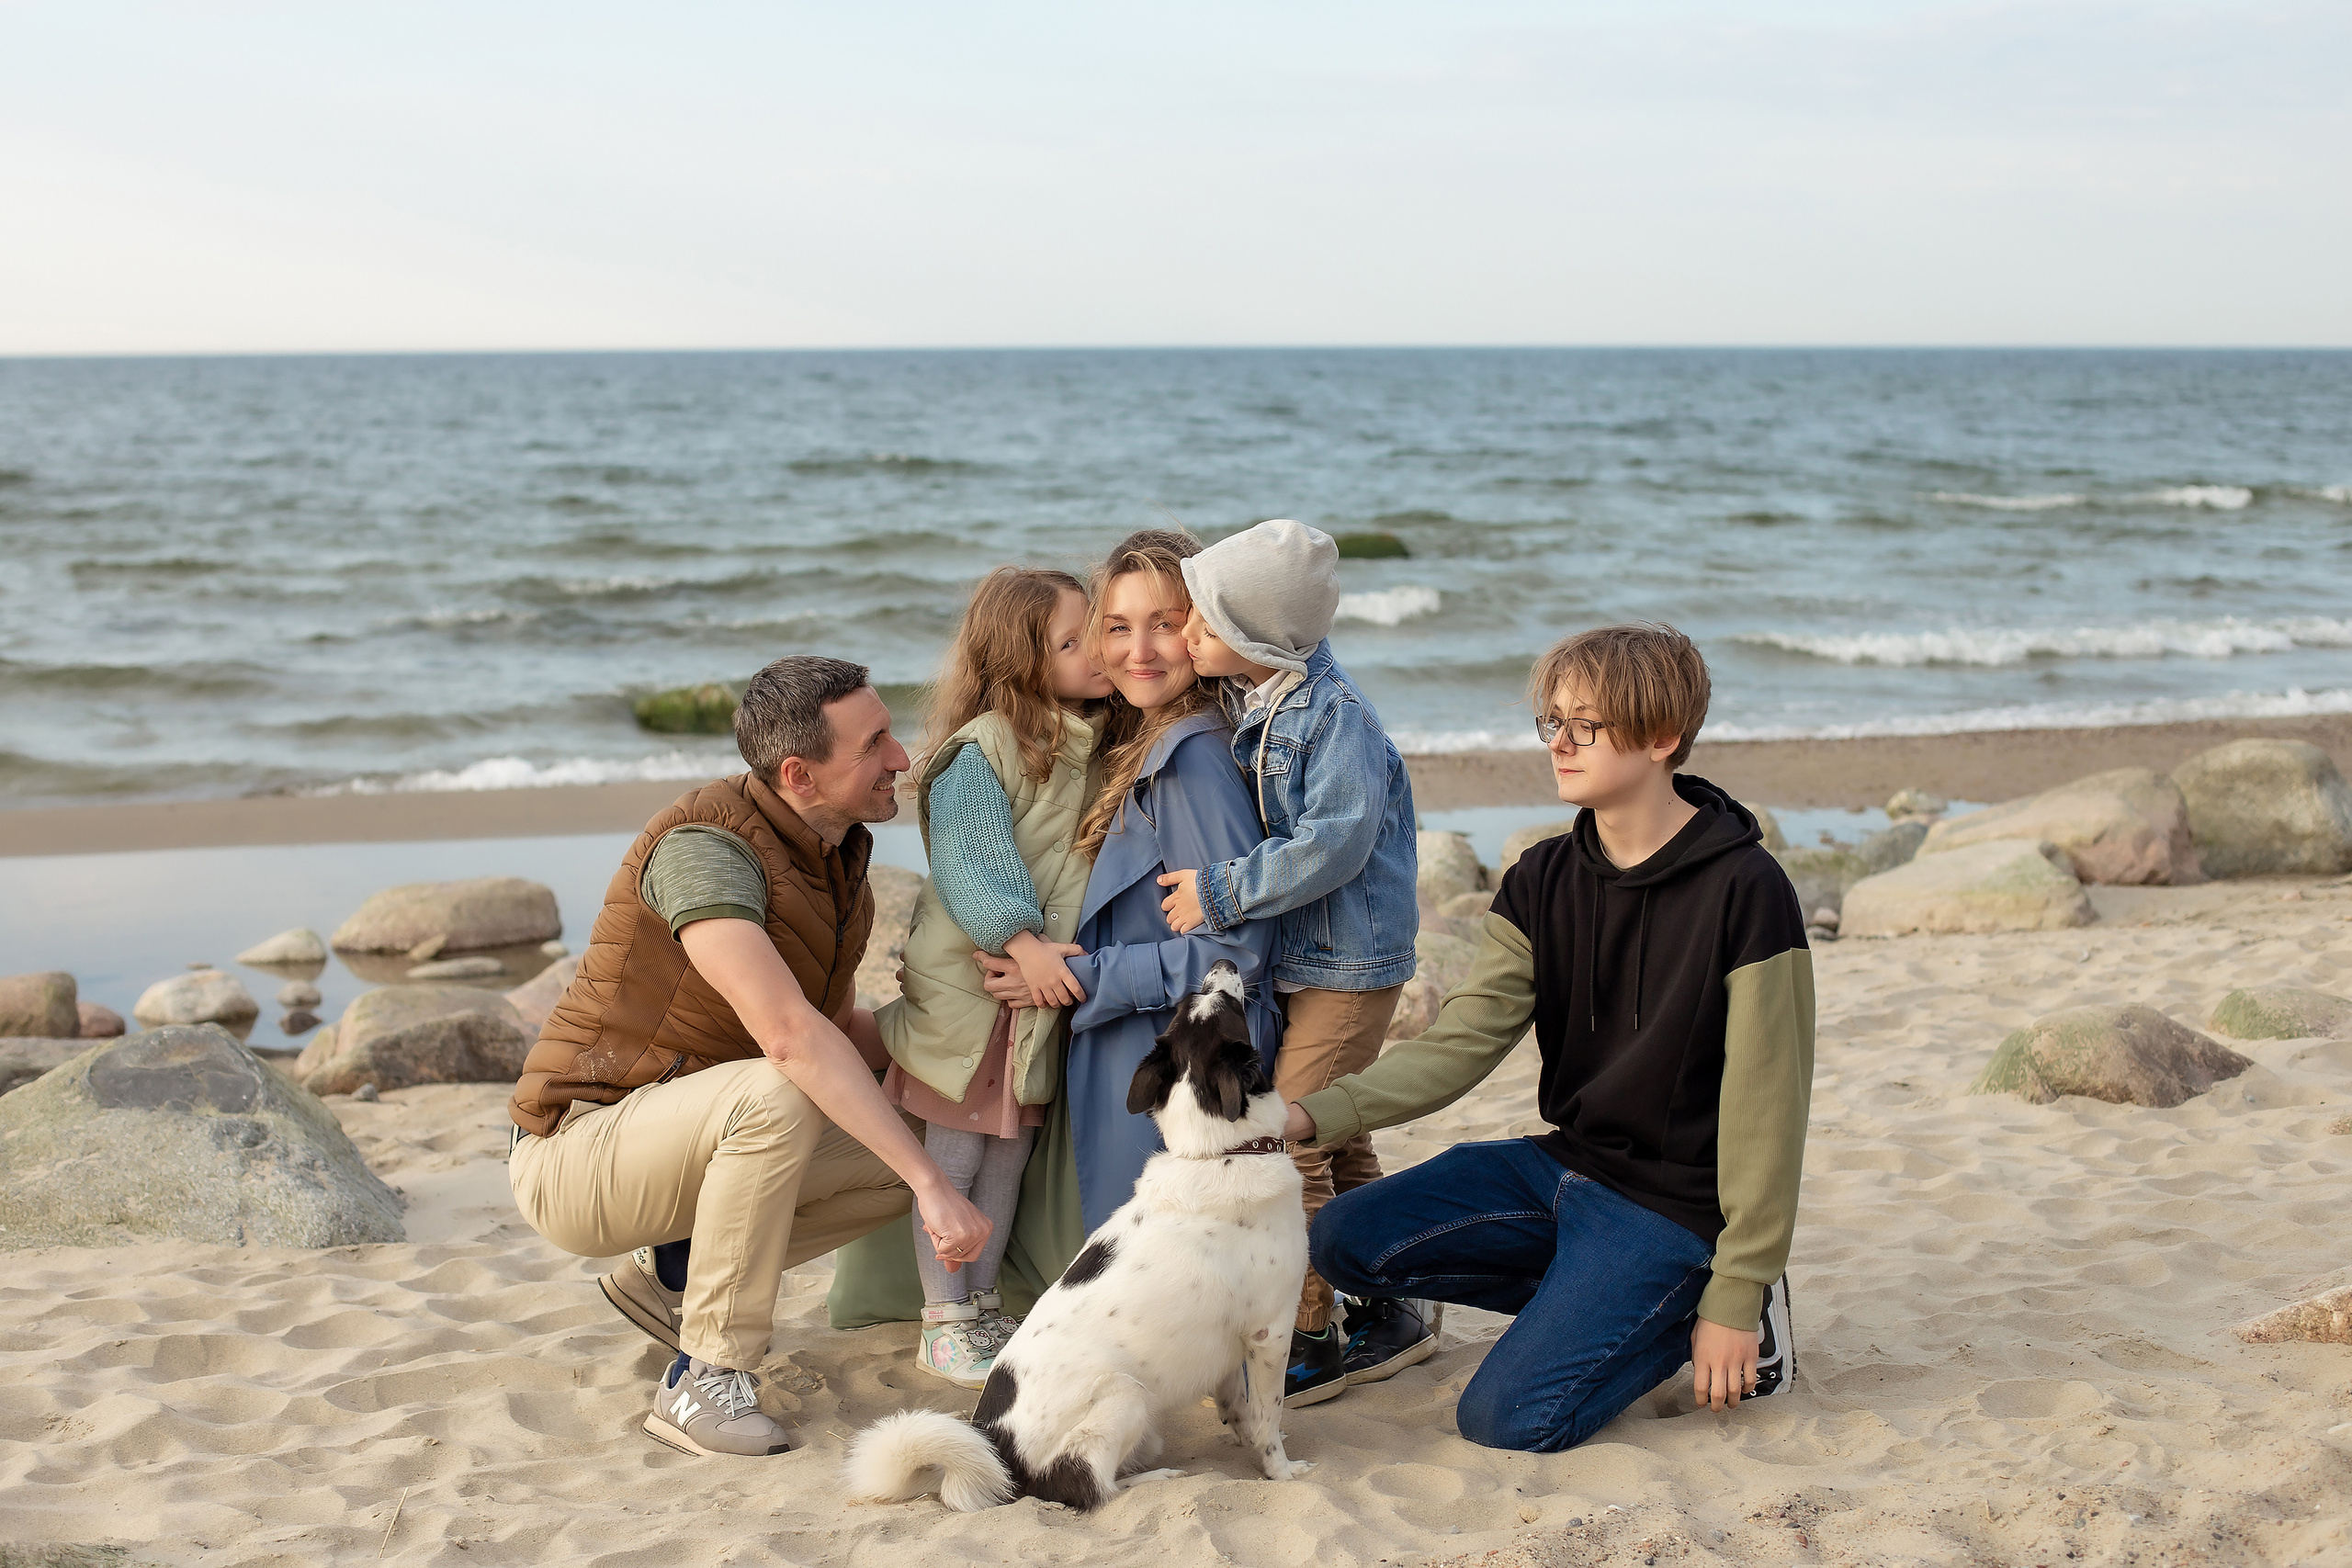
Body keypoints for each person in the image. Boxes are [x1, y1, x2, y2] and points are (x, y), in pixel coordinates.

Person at [1290, 623, 1814, 1452]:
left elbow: (1767, 1109)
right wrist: (1312, 1114)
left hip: (1674, 1208)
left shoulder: (1747, 889)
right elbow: (1463, 1041)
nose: (1558, 743)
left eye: (1585, 725)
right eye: (1552, 721)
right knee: (1344, 1236)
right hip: (1564, 1168)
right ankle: (1608, 1300)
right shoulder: (1540, 879)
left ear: (1662, 736)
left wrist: (1738, 1286)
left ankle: (1703, 1302)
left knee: (1506, 1418)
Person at [506, 655, 993, 1459]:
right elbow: (790, 1037)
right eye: (874, 744)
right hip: (576, 1148)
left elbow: (836, 1032)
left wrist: (968, 1011)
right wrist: (931, 1188)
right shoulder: (705, 850)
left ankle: (674, 1274)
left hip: (690, 1134)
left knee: (929, 1123)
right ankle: (703, 1378)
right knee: (787, 1094)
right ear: (799, 773)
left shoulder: (838, 858)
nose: (902, 757)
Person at [1149, 519, 1427, 1408]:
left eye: (1205, 623)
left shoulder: (1333, 717)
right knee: (1340, 1133)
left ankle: (1310, 1331)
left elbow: (1334, 843)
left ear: (1261, 637)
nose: (1186, 634)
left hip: (1351, 965)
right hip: (1315, 959)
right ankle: (1391, 1305)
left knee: (1287, 1141)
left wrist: (1221, 890)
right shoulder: (1263, 693)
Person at [825, 568, 1112, 1388]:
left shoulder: (1091, 742)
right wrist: (1023, 942)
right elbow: (969, 859)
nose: (1096, 651)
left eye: (1094, 631)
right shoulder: (982, 748)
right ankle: (943, 1317)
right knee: (954, 1159)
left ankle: (982, 1305)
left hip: (1032, 1006)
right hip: (973, 992)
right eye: (1072, 641)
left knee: (1007, 1160)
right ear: (1023, 660)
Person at [978, 530, 1283, 1235]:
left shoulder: (1191, 760)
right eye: (1117, 627)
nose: (1137, 651)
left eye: (1163, 624)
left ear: (1202, 630)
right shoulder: (1138, 740)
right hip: (1141, 1049)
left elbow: (1236, 958)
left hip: (1180, 1066)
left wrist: (1078, 977)